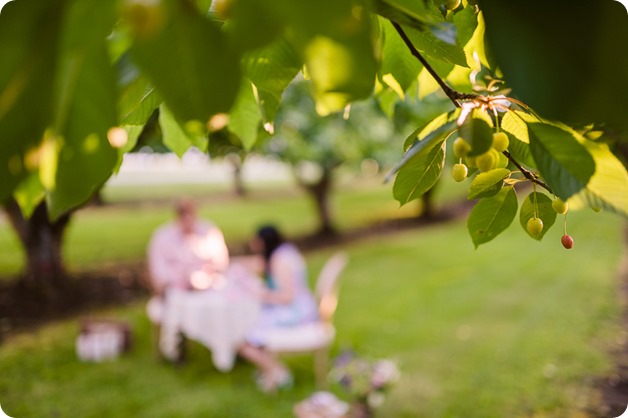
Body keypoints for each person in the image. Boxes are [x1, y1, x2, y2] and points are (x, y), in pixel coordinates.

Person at [238, 225, 318, 392]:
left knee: (241, 338)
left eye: (256, 241)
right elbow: (256, 264)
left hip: (295, 312)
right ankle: (270, 368)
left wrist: (262, 294)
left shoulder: (279, 261)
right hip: (303, 307)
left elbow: (287, 297)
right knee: (252, 322)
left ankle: (278, 373)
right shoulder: (285, 252)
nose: (254, 244)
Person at [146, 198, 229, 322]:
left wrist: (207, 275)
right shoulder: (162, 237)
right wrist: (184, 278)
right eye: (184, 215)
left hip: (208, 292)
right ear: (177, 215)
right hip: (176, 294)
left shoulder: (208, 231)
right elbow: (158, 273)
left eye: (191, 214)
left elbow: (221, 262)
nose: (189, 220)